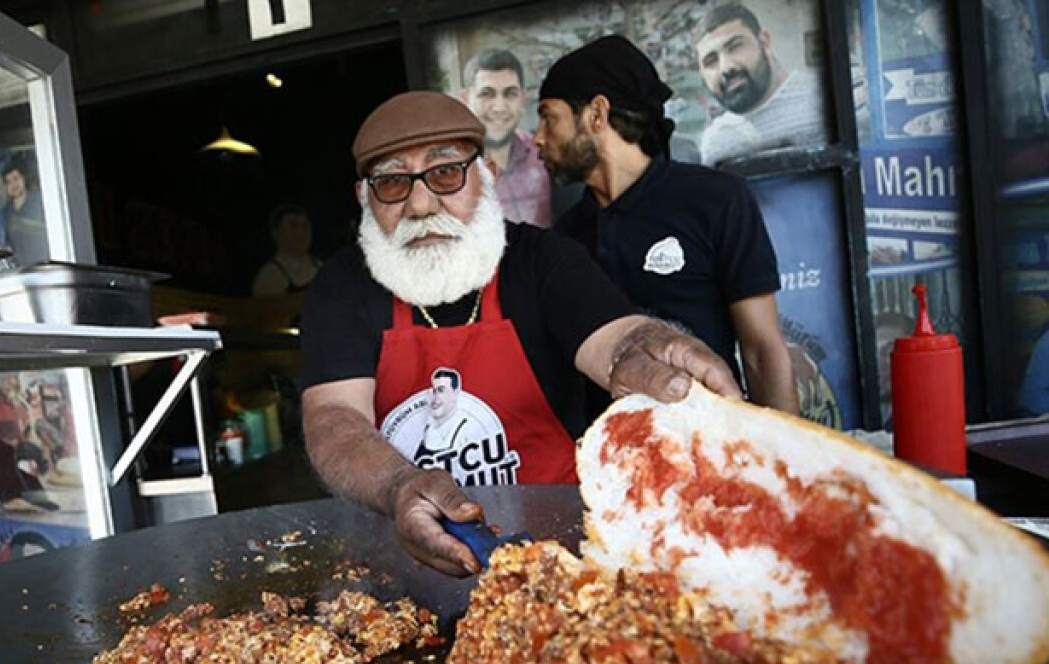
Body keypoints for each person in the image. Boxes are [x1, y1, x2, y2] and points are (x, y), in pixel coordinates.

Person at [300, 90, 740, 577]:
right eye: (392, 183)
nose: (421, 205)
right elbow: (334, 417)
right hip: (413, 570)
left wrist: (643, 349)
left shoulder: (543, 262)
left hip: (563, 561)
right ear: (365, 196)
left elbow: (613, 339)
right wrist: (398, 485)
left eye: (445, 173)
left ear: (487, 175)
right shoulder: (341, 289)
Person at [536, 35, 799, 416]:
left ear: (596, 114)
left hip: (713, 442)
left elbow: (762, 349)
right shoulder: (564, 239)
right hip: (613, 459)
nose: (538, 138)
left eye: (548, 117)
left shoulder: (715, 200)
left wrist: (784, 462)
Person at [694, 4, 827, 166]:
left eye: (735, 47)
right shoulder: (716, 142)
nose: (726, 67)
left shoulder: (825, 98)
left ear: (764, 43)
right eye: (711, 61)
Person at [459, 48, 552, 227]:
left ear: (522, 100)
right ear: (465, 100)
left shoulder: (543, 154)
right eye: (487, 94)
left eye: (510, 94)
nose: (499, 107)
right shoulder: (452, 170)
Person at [251, 204, 321, 296]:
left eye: (305, 225)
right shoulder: (269, 277)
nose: (301, 232)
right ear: (275, 232)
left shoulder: (321, 268)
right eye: (294, 225)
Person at [1, 157, 49, 264]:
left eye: (16, 178)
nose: (13, 185)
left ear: (23, 178)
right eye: (8, 182)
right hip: (22, 269)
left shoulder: (39, 202)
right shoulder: (7, 212)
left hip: (44, 264)